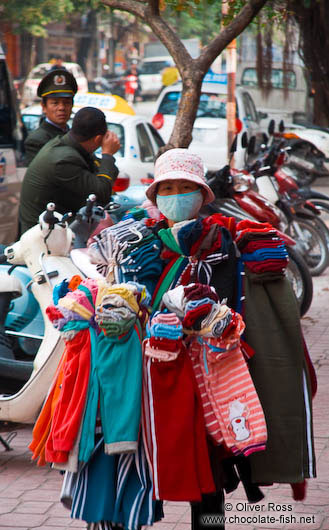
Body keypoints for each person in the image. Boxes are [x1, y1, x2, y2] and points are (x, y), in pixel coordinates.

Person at [29, 148, 316, 530]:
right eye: (168, 188)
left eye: (186, 187)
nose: (177, 195)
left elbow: (236, 305)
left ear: (202, 195)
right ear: (156, 196)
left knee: (208, 475)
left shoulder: (223, 242)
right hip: (143, 372)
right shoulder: (136, 242)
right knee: (131, 464)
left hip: (205, 376)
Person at [19, 106, 120, 234]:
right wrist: (108, 155)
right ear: (98, 139)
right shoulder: (64, 159)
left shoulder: (71, 146)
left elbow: (102, 174)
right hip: (42, 238)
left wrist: (107, 159)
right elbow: (102, 193)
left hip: (56, 228)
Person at [24, 68, 77, 166]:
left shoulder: (73, 136)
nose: (61, 108)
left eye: (66, 103)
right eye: (55, 103)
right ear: (44, 107)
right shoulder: (36, 140)